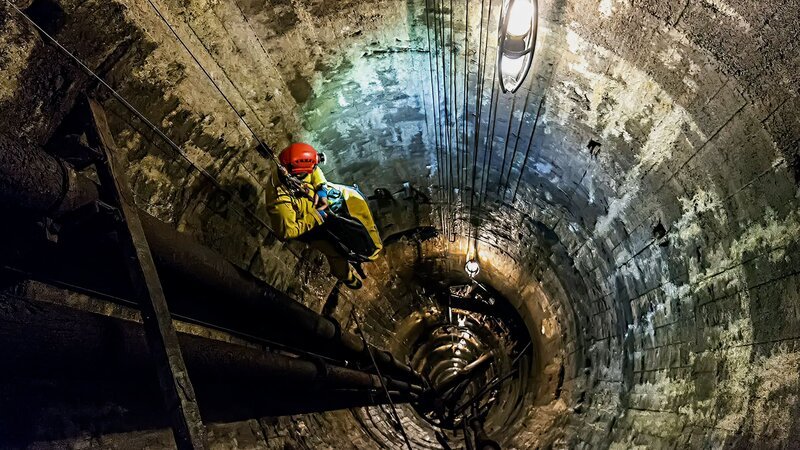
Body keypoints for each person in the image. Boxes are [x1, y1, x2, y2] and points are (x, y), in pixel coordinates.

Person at [265, 142, 363, 289]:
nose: (313, 170)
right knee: (335, 251)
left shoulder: (293, 168)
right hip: (309, 228)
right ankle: (345, 276)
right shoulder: (280, 201)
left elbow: (315, 172)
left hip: (315, 207)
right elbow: (286, 231)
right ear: (298, 173)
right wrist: (316, 216)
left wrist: (321, 188)